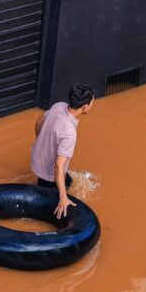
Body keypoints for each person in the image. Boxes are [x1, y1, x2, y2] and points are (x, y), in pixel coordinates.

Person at [31, 84, 95, 219]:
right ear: (85, 107)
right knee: (51, 201)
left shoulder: (59, 106)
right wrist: (63, 197)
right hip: (48, 174)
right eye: (92, 102)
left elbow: (39, 121)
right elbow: (58, 166)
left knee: (68, 181)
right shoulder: (69, 132)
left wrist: (40, 142)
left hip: (36, 158)